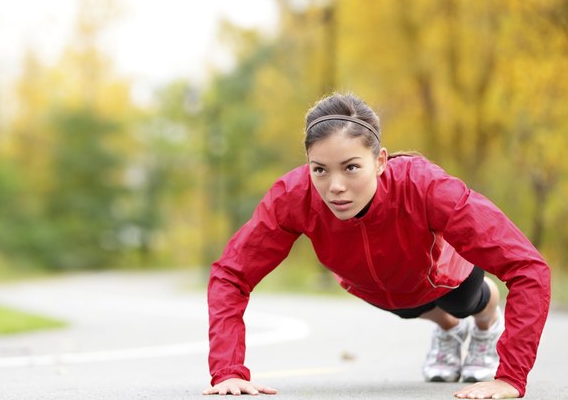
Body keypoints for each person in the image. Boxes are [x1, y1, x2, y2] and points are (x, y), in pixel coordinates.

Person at [202, 93, 551, 399]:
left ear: (380, 161)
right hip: (377, 286)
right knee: (402, 305)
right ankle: (448, 331)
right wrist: (227, 371)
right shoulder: (293, 197)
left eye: (351, 167)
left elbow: (528, 268)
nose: (335, 186)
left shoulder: (426, 187)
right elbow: (232, 274)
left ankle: (485, 324)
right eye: (320, 170)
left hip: (445, 276)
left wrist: (510, 377)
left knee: (463, 303)